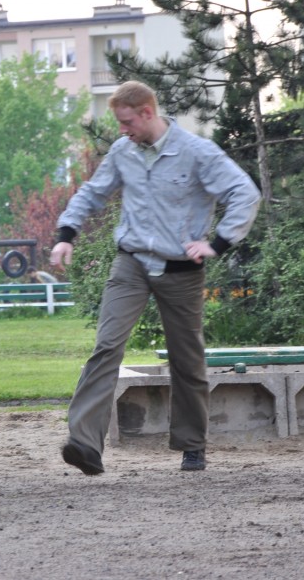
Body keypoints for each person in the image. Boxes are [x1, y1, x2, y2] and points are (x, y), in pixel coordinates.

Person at [51, 81, 261, 474]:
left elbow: (244, 193)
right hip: (130, 263)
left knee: (187, 358)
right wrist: (66, 234)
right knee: (106, 346)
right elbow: (92, 193)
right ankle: (85, 444)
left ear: (147, 112)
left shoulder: (196, 152)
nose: (122, 130)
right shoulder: (123, 151)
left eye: (127, 121)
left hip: (181, 270)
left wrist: (217, 243)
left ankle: (192, 445)